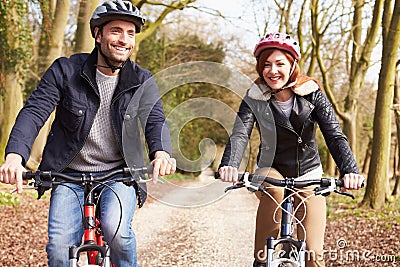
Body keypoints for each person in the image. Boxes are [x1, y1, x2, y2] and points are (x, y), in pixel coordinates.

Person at [0, 1, 176, 266]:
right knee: (59, 248)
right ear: (97, 34)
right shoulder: (65, 70)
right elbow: (34, 112)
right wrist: (15, 156)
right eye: (116, 31)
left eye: (130, 34)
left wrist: (161, 152)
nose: (124, 40)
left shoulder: (141, 79)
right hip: (68, 173)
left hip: (119, 174)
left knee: (117, 233)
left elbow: (155, 120)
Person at [218, 32, 364, 267]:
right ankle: (262, 260)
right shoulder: (254, 96)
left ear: (293, 65)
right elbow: (240, 133)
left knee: (314, 255)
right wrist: (230, 165)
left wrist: (350, 170)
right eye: (266, 64)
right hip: (271, 168)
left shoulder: (312, 93)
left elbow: (334, 135)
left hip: (307, 172)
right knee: (274, 194)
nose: (272, 70)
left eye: (279, 64)